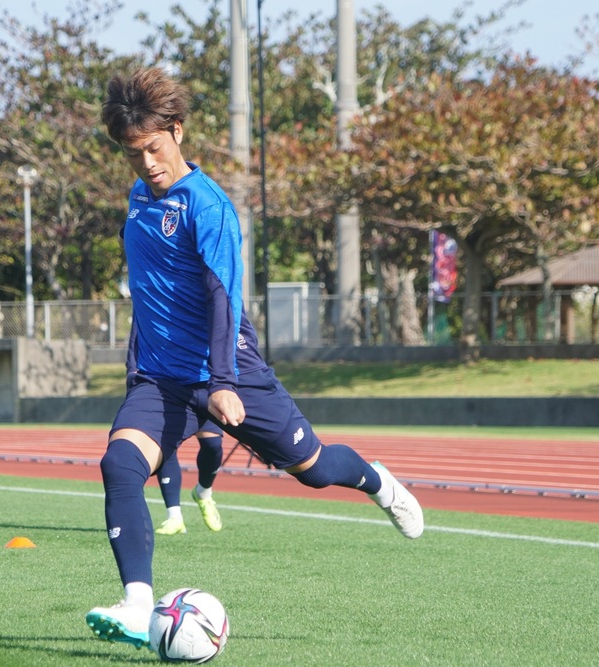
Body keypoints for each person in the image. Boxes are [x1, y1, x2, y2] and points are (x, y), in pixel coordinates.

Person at [86, 67, 423, 650]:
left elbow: (224, 296)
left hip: (231, 373)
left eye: (154, 148)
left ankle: (379, 483)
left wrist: (222, 382)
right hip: (162, 380)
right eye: (133, 153)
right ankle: (138, 606)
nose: (146, 163)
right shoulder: (139, 197)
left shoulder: (209, 207)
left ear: (178, 131)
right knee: (119, 465)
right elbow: (150, 287)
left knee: (314, 469)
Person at [128, 319, 224, 535]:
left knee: (213, 444)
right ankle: (174, 516)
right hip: (165, 382)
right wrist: (132, 370)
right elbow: (137, 335)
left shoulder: (205, 303)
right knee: (166, 445)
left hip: (203, 381)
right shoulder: (153, 301)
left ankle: (203, 492)